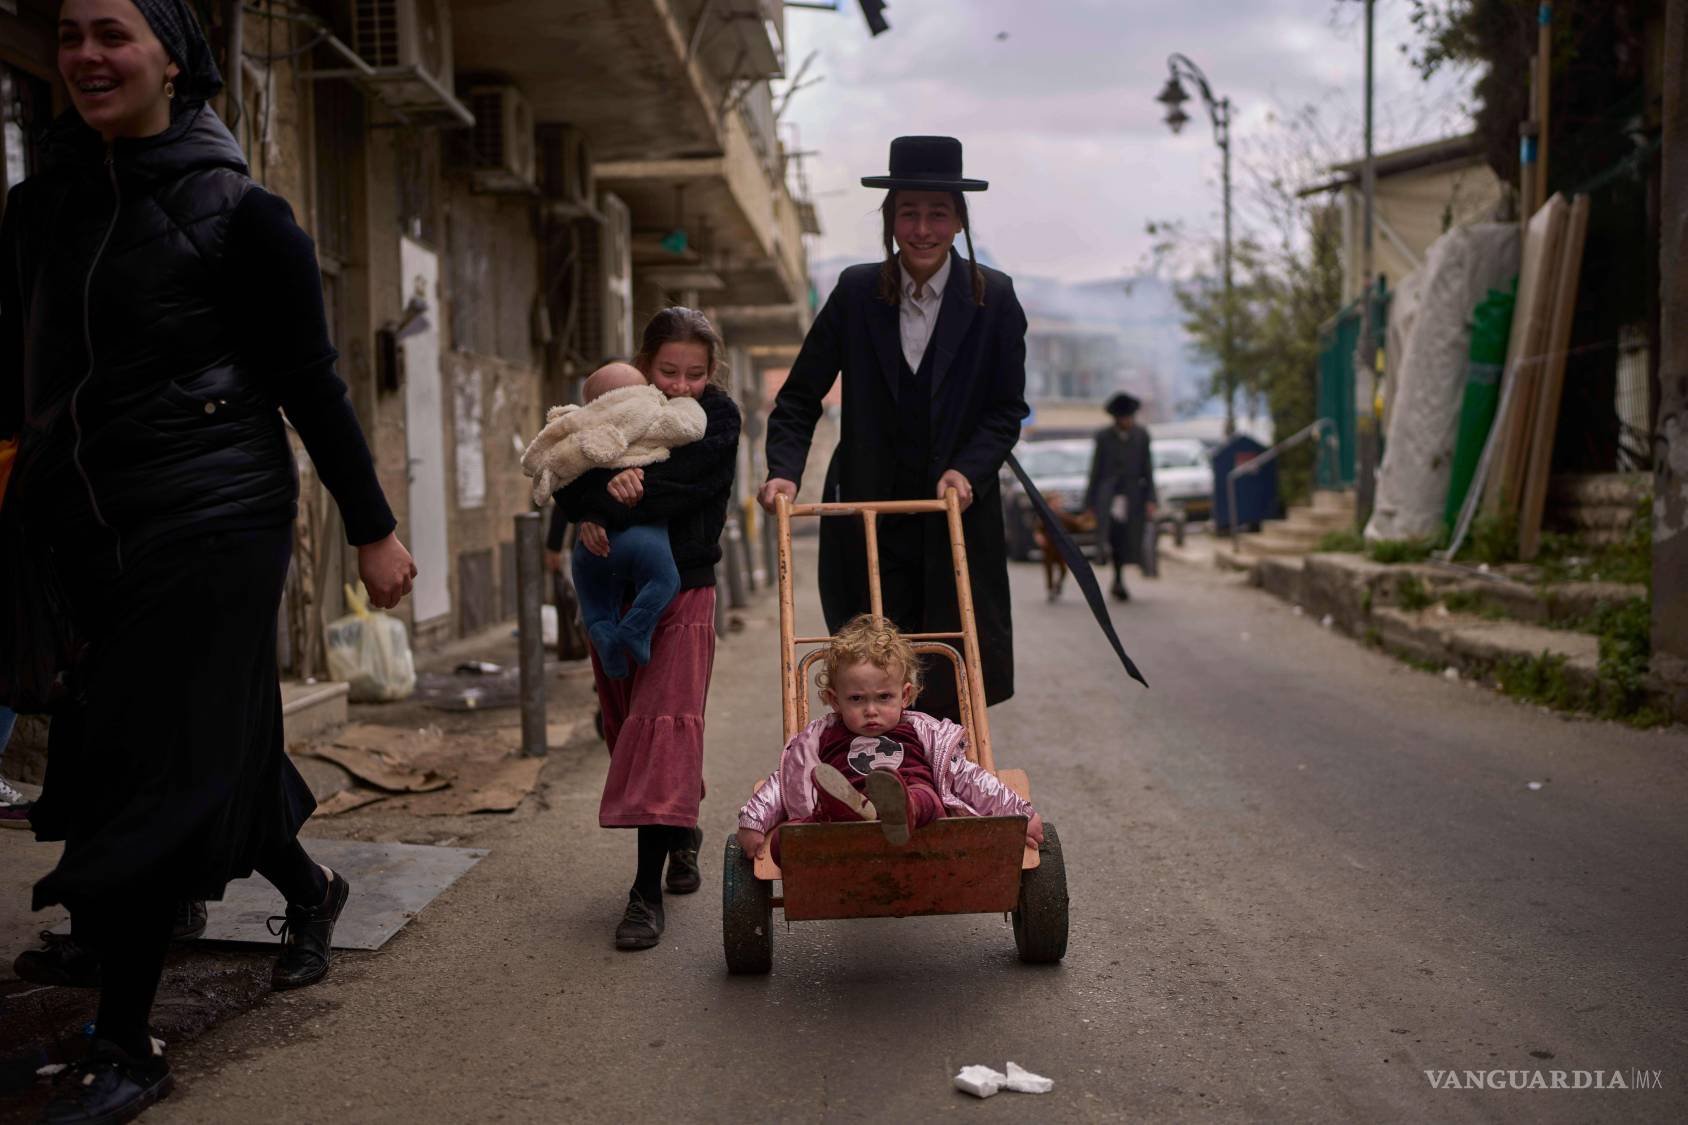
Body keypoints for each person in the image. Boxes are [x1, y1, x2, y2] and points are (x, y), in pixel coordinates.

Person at [0, 2, 414, 1119]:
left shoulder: (245, 215)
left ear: (172, 60)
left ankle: (126, 1043)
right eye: (72, 34)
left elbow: (312, 387)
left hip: (214, 520)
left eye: (114, 33)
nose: (88, 54)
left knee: (148, 764)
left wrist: (373, 529)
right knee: (166, 748)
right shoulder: (40, 208)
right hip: (82, 526)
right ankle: (306, 889)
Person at [760, 136, 1029, 722]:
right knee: (869, 671)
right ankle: (876, 781)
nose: (923, 227)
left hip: (952, 511)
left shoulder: (994, 298)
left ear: (959, 220)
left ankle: (946, 787)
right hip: (866, 508)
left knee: (953, 661)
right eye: (909, 211)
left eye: (938, 212)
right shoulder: (858, 292)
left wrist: (968, 469)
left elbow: (1006, 409)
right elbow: (801, 395)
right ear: (890, 218)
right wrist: (783, 473)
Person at [553, 307, 740, 951]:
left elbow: (689, 487)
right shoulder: (619, 405)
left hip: (684, 591)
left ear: (712, 372)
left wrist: (618, 491)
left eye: (695, 372)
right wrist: (597, 501)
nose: (683, 384)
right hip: (614, 587)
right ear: (645, 364)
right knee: (625, 725)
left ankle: (642, 895)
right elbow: (566, 475)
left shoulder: (719, 418)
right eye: (669, 371)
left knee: (661, 729)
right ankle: (680, 832)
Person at [735, 616, 1042, 860]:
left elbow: (968, 777)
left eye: (884, 697)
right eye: (856, 699)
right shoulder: (821, 736)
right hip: (840, 821)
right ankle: (846, 810)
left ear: (904, 695)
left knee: (926, 797)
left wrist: (1019, 814)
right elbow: (785, 780)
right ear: (834, 699)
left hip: (914, 804)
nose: (871, 710)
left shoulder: (922, 731)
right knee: (785, 842)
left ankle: (902, 807)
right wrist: (754, 822)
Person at [522, 361, 707, 676]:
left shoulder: (578, 431)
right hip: (643, 539)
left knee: (594, 600)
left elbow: (555, 484)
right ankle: (635, 628)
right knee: (665, 581)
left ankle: (603, 634)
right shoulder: (650, 420)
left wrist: (562, 537)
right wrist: (683, 402)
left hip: (588, 546)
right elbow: (690, 427)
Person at [1085, 392, 1157, 602]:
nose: (1126, 421)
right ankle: (1117, 578)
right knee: (1113, 537)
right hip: (1108, 496)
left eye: (1129, 417)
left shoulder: (1142, 435)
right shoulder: (1103, 437)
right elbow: (1095, 470)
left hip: (1134, 496)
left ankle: (1122, 576)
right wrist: (1089, 502)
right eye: (1122, 417)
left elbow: (1148, 469)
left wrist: (1151, 499)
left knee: (1130, 537)